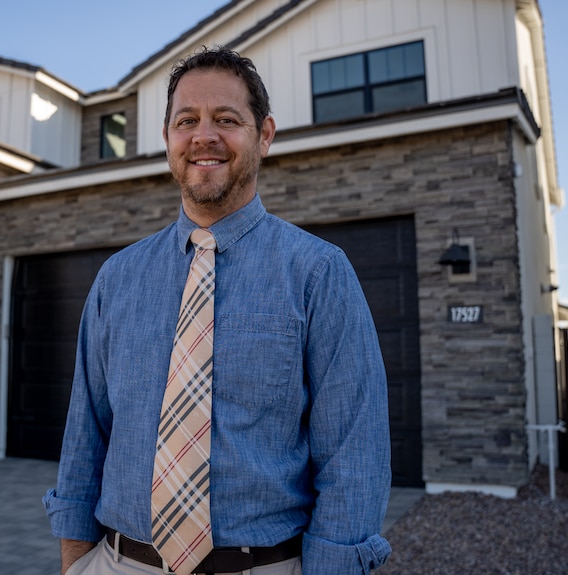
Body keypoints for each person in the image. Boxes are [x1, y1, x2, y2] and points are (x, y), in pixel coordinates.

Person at [43, 46, 392, 575]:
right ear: (168, 140)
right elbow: (85, 429)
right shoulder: (117, 277)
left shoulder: (318, 272)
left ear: (265, 135)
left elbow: (353, 450)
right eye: (187, 121)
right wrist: (75, 561)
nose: (204, 135)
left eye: (226, 119)